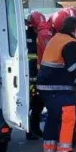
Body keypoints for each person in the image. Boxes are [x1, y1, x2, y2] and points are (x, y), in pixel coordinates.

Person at [36, 15, 76, 152]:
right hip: (60, 87)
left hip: (46, 86)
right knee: (68, 118)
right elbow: (72, 68)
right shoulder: (70, 43)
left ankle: (49, 151)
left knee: (53, 117)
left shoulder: (56, 38)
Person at [25, 11, 46, 140]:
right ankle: (29, 131)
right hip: (28, 75)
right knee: (29, 104)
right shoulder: (25, 35)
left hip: (37, 73)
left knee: (39, 103)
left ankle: (36, 128)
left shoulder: (41, 35)